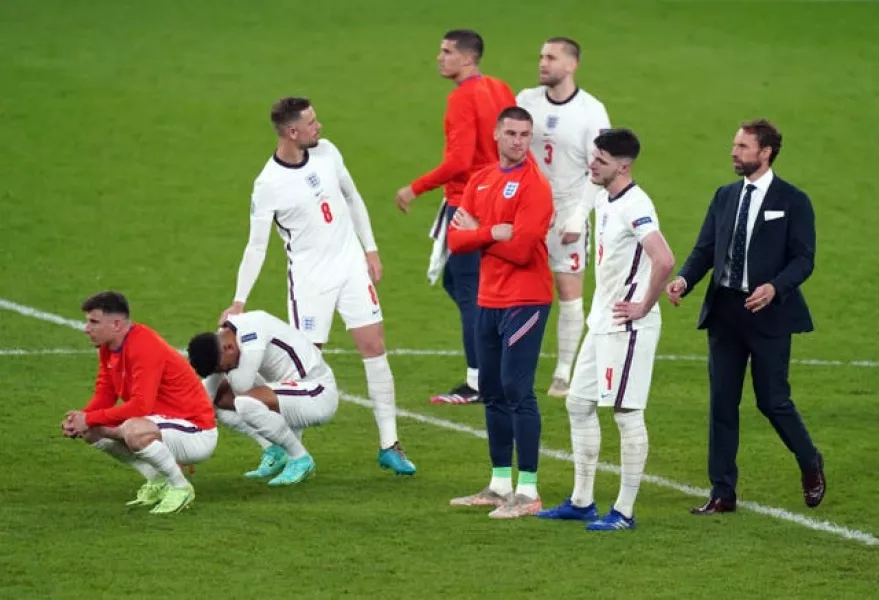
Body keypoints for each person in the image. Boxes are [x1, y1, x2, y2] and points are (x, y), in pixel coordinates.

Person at [219, 96, 415, 476]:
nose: (319, 126)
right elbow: (256, 245)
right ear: (292, 132)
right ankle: (290, 452)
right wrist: (239, 299)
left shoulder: (328, 152)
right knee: (301, 368)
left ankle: (389, 444)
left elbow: (353, 197)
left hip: (352, 268)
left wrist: (370, 250)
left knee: (375, 349)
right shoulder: (268, 185)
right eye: (311, 122)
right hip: (310, 283)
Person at [667, 119, 825, 514]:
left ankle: (810, 460)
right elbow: (705, 249)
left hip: (769, 314)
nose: (734, 153)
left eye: (742, 146)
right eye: (734, 145)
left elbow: (804, 258)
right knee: (722, 403)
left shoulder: (793, 200)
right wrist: (685, 280)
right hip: (725, 314)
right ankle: (722, 493)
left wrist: (775, 287)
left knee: (772, 401)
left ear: (765, 152)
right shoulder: (724, 197)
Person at [538, 129, 675, 531]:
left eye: (600, 160)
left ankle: (624, 512)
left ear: (623, 166)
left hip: (627, 328)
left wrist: (643, 306)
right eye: (593, 157)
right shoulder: (603, 198)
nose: (591, 164)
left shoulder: (636, 204)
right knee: (578, 404)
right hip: (600, 323)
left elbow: (664, 259)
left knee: (627, 414)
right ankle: (581, 502)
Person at [394, 29, 516, 405]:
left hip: (469, 206)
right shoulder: (499, 88)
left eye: (447, 52)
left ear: (467, 58)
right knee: (462, 284)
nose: (439, 57)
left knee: (470, 294)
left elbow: (459, 161)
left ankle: (479, 381)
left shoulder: (462, 98)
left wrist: (414, 188)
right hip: (497, 196)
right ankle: (493, 364)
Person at [445, 106, 554, 519]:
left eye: (525, 135)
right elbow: (456, 241)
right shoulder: (482, 179)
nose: (518, 141)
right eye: (511, 133)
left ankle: (528, 492)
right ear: (496, 133)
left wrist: (477, 234)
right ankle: (498, 484)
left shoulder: (535, 186)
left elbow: (523, 249)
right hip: (489, 300)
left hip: (526, 299)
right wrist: (492, 231)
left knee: (517, 389)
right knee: (491, 389)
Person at [60, 291, 217, 515]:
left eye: (94, 321)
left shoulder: (144, 346)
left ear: (116, 324)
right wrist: (80, 420)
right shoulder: (108, 349)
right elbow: (105, 394)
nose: (86, 328)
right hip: (161, 425)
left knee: (134, 429)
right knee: (91, 431)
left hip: (195, 431)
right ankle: (157, 478)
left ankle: (180, 486)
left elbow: (140, 406)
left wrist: (89, 419)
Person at [516, 36, 611, 398]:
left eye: (551, 58)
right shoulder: (526, 101)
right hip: (528, 208)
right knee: (520, 288)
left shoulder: (591, 111)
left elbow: (599, 168)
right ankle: (518, 363)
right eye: (541, 56)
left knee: (568, 292)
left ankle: (563, 372)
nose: (542, 63)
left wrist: (578, 217)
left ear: (571, 65)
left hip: (568, 210)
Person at [187, 310, 339, 486]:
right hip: (289, 391)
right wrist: (192, 431)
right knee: (217, 403)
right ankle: (275, 451)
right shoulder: (225, 341)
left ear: (228, 348)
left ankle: (300, 459)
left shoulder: (252, 333)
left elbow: (242, 385)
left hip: (318, 394)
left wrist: (224, 378)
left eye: (225, 368)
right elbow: (206, 395)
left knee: (245, 402)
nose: (225, 371)